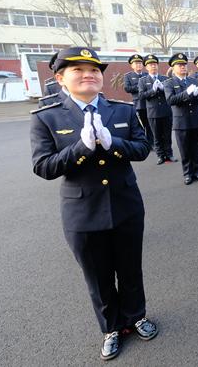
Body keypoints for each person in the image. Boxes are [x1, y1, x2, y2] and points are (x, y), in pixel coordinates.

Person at [30, 47, 157, 361]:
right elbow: (44, 166)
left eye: (94, 70)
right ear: (60, 78)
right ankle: (111, 327)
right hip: (82, 212)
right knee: (98, 276)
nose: (89, 75)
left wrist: (115, 144)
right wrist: (80, 148)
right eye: (78, 70)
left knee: (130, 269)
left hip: (125, 204)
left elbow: (143, 148)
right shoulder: (47, 117)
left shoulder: (123, 110)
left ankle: (135, 315)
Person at [163, 53, 198, 185]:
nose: (182, 67)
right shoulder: (169, 83)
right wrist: (186, 93)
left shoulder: (194, 81)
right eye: (179, 65)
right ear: (173, 68)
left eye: (184, 64)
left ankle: (197, 171)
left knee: (195, 149)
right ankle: (187, 173)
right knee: (185, 150)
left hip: (195, 120)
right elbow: (170, 100)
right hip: (181, 122)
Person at [138, 55, 175, 164]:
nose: (153, 66)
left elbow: (171, 93)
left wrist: (163, 89)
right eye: (150, 65)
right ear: (146, 67)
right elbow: (141, 96)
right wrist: (153, 90)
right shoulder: (143, 81)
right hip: (153, 112)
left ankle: (169, 154)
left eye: (154, 64)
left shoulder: (164, 78)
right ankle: (160, 155)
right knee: (156, 135)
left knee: (167, 134)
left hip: (166, 110)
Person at [123, 54, 153, 144]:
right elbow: (127, 88)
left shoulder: (147, 75)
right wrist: (140, 87)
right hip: (139, 104)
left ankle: (151, 143)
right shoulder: (128, 76)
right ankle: (143, 142)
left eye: (140, 63)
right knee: (141, 125)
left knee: (150, 125)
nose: (138, 65)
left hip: (149, 102)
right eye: (136, 63)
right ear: (132, 65)